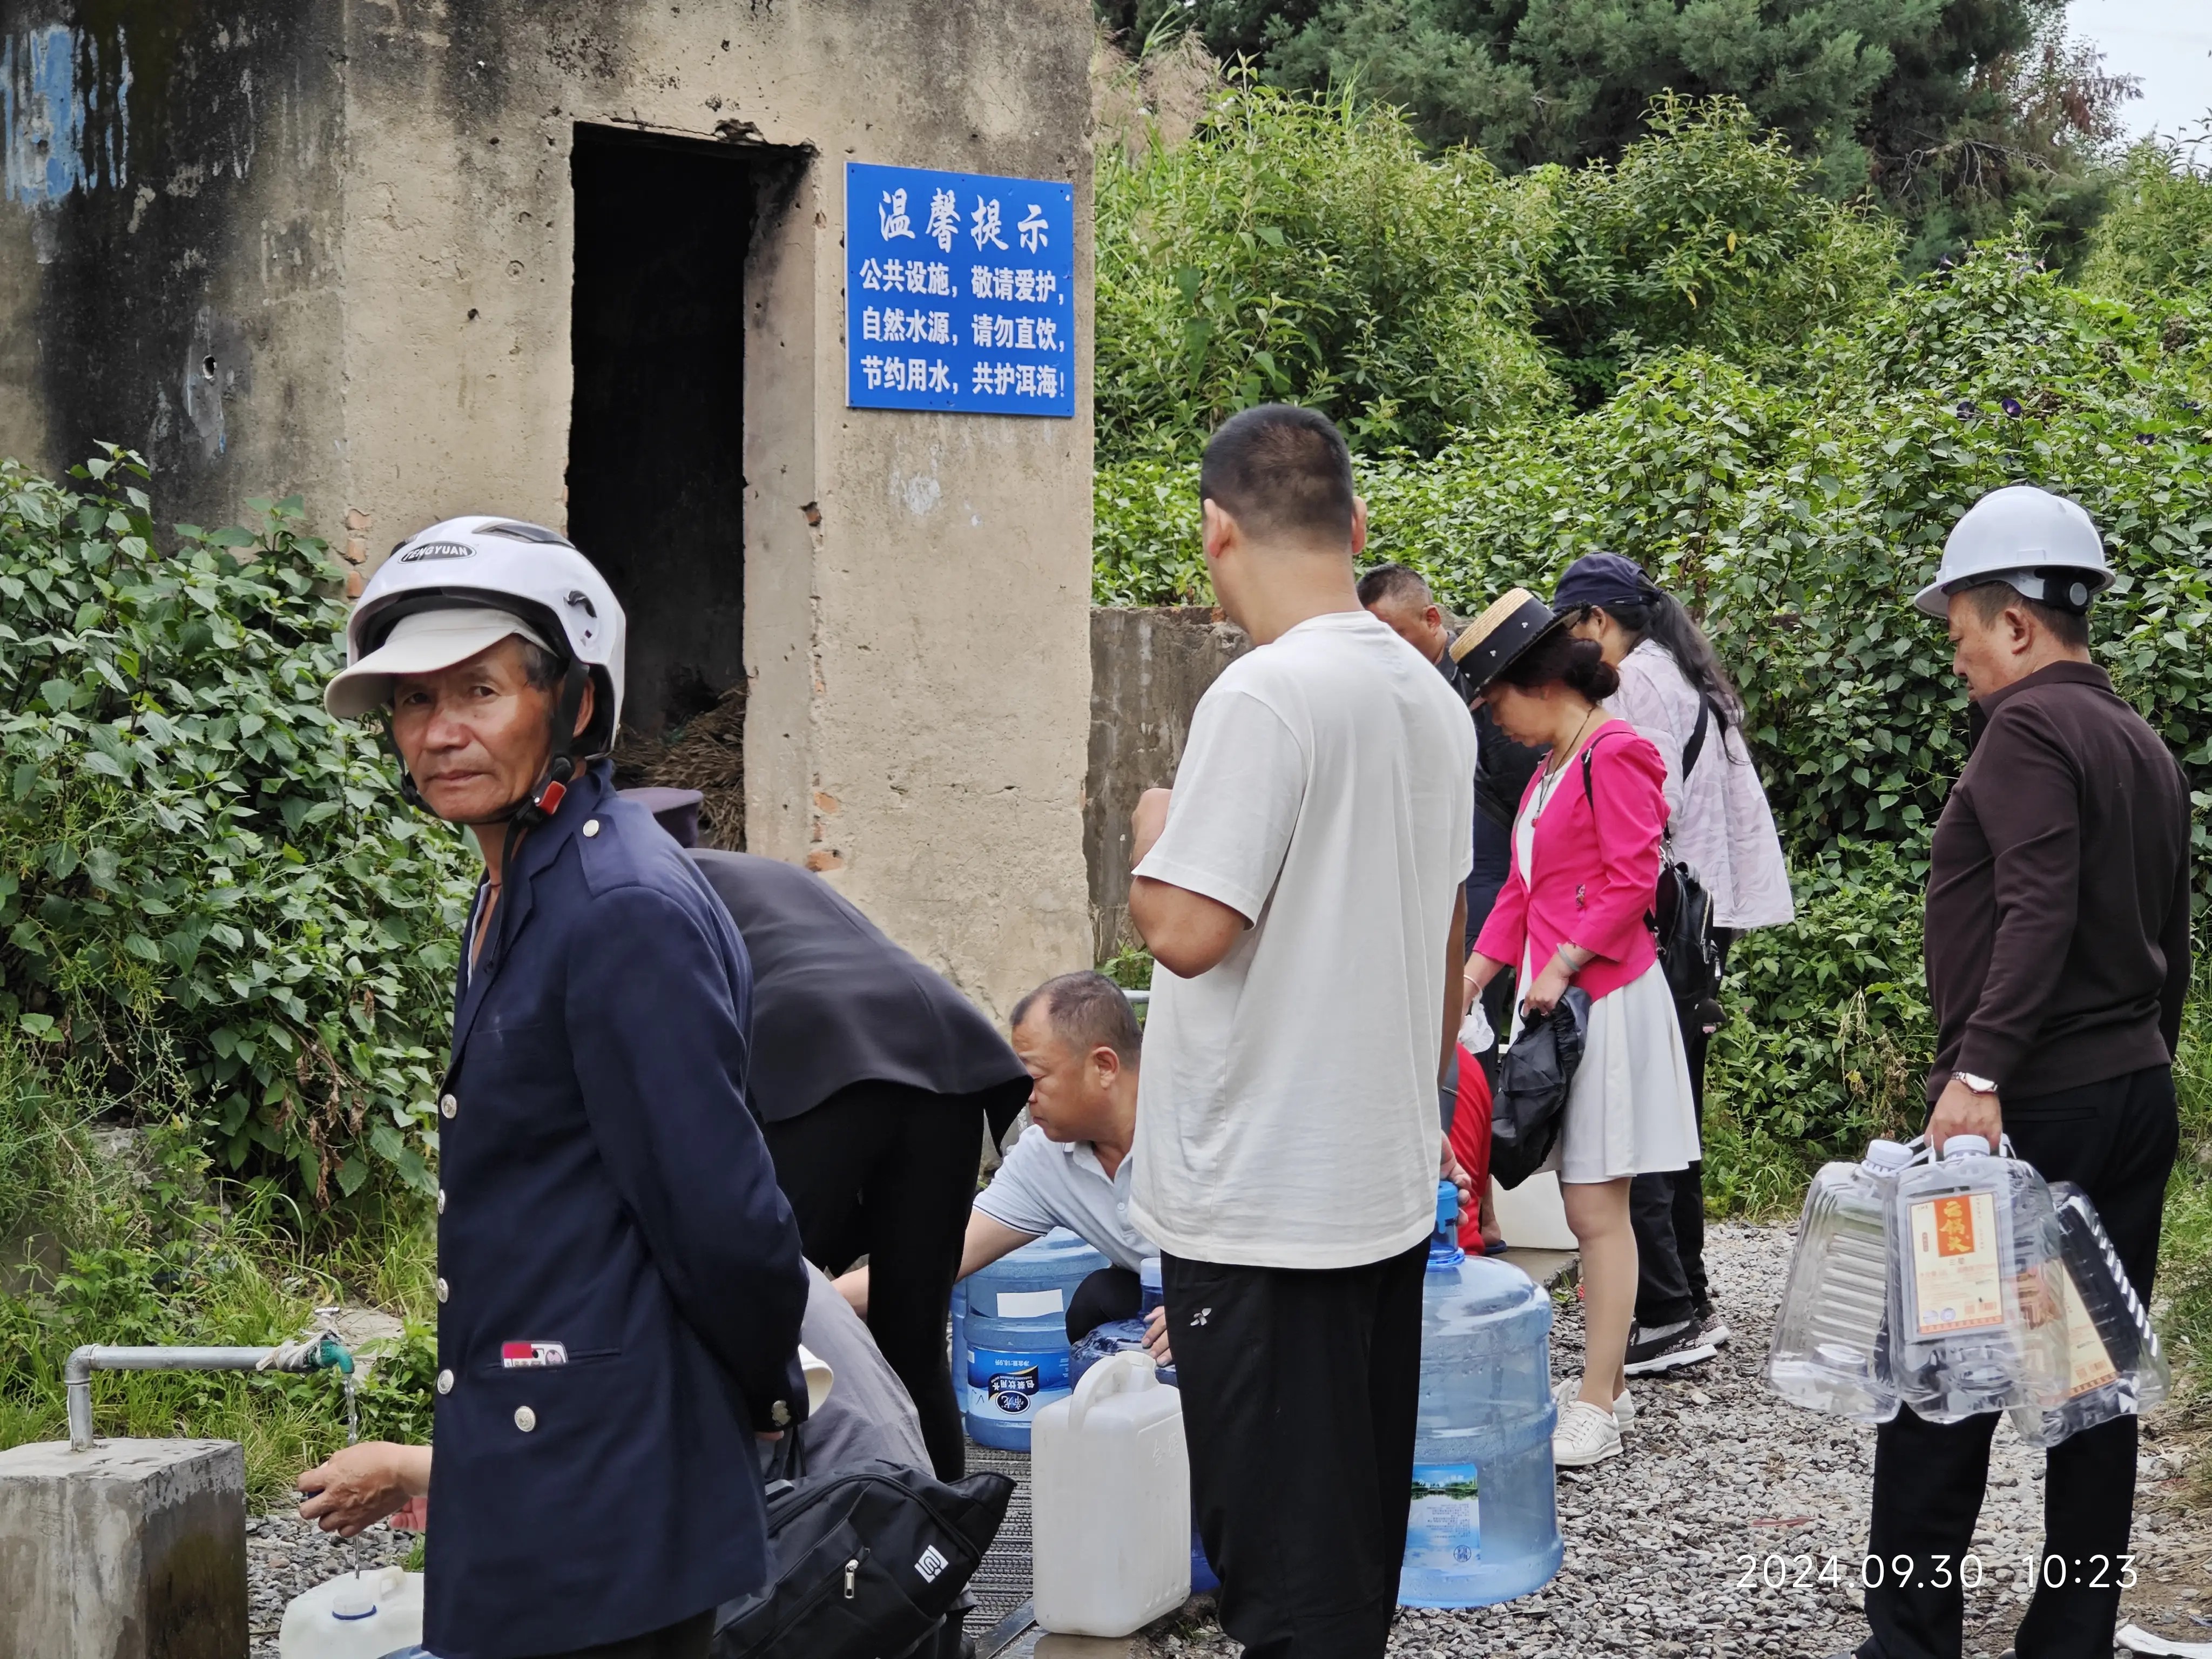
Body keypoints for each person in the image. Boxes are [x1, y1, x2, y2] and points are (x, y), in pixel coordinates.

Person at [302, 516, 810, 1659]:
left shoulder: (616, 907)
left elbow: (722, 1216)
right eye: (413, 701)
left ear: (575, 704)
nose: (439, 731)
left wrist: (757, 1396)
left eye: (479, 691)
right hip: (545, 1466)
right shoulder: (520, 884)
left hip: (609, 1490)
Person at [1126, 404, 1473, 1659]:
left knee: (1280, 1574)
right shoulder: (1428, 697)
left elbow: (1184, 928)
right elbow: (1448, 939)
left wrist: (1153, 825)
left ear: (1215, 529)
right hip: (1374, 1187)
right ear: (1355, 524)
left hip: (1263, 1207)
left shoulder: (1266, 692)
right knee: (1347, 1548)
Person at [1838, 485, 2191, 1659]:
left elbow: (2036, 906)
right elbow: (2172, 936)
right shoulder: (2138, 742)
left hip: (2029, 1105)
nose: (1958, 662)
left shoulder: (2027, 732)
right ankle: (2070, 1635)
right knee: (2087, 1380)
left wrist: (1980, 1073)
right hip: (2127, 1092)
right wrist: (2144, 1060)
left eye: (1961, 635)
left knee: (1941, 1378)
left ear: (2019, 624)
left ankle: (1909, 1640)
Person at [671, 841, 1033, 1482]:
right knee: (914, 1344)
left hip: (821, 1050)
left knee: (745, 1317)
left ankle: (768, 1526)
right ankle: (943, 1535)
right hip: (942, 1049)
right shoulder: (753, 876)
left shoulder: (635, 889)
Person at [1453, 588, 1698, 1469]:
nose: (1494, 720)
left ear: (1542, 685)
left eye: (1495, 701)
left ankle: (1598, 1399)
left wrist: (1558, 965)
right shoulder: (1553, 768)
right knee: (1587, 1203)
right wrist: (1474, 976)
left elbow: (1633, 879)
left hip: (1604, 1003)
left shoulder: (1616, 751)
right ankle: (1606, 1382)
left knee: (1596, 1207)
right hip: (1562, 1007)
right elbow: (1523, 891)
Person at [1553, 550, 1795, 1373]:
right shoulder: (1688, 676)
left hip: (1656, 922)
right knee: (1676, 1112)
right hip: (1701, 923)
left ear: (1598, 621)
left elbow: (1645, 811)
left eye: (1572, 631)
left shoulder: (1639, 684)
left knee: (1639, 1114)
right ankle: (1687, 1298)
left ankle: (1663, 1311)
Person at [835, 969, 1172, 1359]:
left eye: (1036, 1077)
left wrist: (1206, 1312)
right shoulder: (1046, 1158)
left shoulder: (1202, 1126)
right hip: (1170, 1307)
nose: (1026, 1096)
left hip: (1229, 1301)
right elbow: (931, 1262)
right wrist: (806, 1304)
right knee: (1099, 1301)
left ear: (1104, 1066)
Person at [1359, 563, 1508, 1253]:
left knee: (1478, 1043)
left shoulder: (1479, 688)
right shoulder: (1393, 692)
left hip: (1487, 888)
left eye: (1392, 633)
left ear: (1432, 620)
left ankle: (1480, 1207)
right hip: (1437, 889)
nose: (1382, 649)